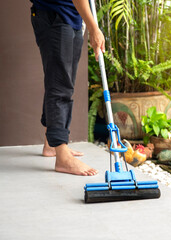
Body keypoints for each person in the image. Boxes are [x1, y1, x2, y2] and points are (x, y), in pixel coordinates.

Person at [30, 0, 104, 176]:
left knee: (62, 80)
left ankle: (52, 145)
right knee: (60, 85)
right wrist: (94, 27)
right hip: (55, 14)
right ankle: (62, 157)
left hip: (70, 15)